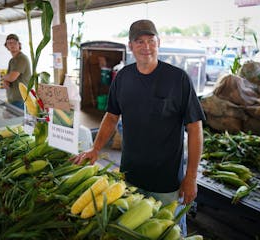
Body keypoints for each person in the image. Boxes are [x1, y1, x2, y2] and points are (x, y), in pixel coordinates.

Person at [70, 19, 205, 236]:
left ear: (159, 42)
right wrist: (95, 149)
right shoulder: (123, 77)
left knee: (170, 233)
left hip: (167, 183)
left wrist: (191, 177)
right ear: (131, 46)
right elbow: (111, 117)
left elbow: (196, 129)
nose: (146, 47)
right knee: (135, 233)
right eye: (139, 41)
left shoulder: (177, 78)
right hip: (130, 177)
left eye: (151, 41)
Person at [2, 34, 31, 109]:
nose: (12, 45)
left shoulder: (21, 58)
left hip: (21, 99)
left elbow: (11, 77)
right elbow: (9, 78)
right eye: (9, 43)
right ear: (6, 46)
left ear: (19, 44)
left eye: (14, 42)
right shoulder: (12, 60)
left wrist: (4, 77)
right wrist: (5, 79)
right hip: (13, 98)